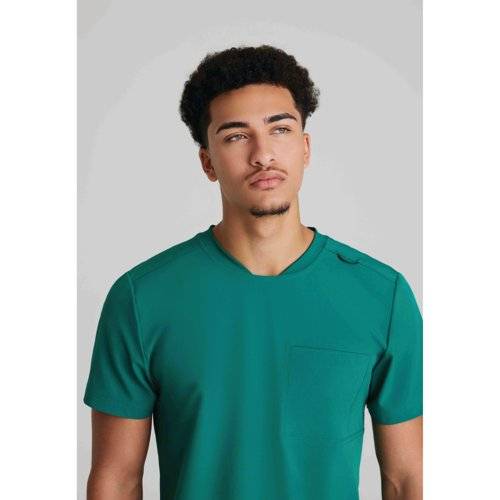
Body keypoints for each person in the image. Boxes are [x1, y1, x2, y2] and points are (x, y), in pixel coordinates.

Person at [83, 44, 423, 500]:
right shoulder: (142, 298)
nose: (263, 154)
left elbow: (407, 479)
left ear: (305, 148)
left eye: (280, 129)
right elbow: (117, 480)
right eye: (236, 136)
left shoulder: (382, 296)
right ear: (208, 161)